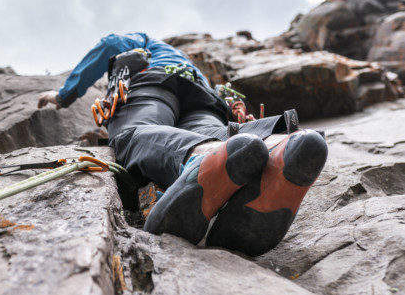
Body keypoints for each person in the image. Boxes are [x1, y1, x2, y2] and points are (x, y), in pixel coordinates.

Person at [38, 32, 327, 256]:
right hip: (205, 99)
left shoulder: (147, 43)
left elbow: (112, 43)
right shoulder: (193, 67)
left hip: (153, 83)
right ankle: (279, 148)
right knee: (213, 133)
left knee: (136, 131)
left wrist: (64, 95)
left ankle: (202, 157)